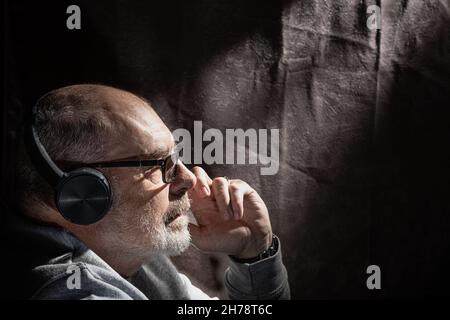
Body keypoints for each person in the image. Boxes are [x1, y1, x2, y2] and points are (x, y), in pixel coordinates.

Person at [1, 84, 289, 300]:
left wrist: (254, 254)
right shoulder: (78, 293)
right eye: (158, 163)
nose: (188, 179)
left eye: (176, 158)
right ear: (84, 194)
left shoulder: (124, 254)